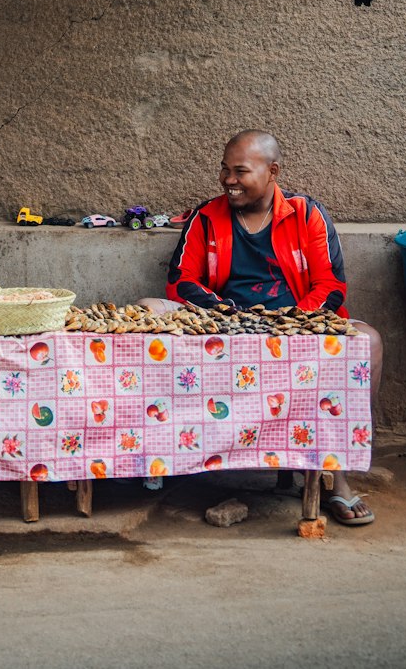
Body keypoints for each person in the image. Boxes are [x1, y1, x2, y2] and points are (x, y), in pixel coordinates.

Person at [163, 128, 382, 526]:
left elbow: (331, 285)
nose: (229, 180)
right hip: (225, 326)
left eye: (240, 171)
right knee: (150, 308)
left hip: (298, 327)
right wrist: (228, 314)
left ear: (272, 171)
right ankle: (168, 461)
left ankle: (339, 480)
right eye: (225, 170)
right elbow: (180, 281)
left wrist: (293, 324)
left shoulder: (307, 214)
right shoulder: (206, 217)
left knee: (370, 341)